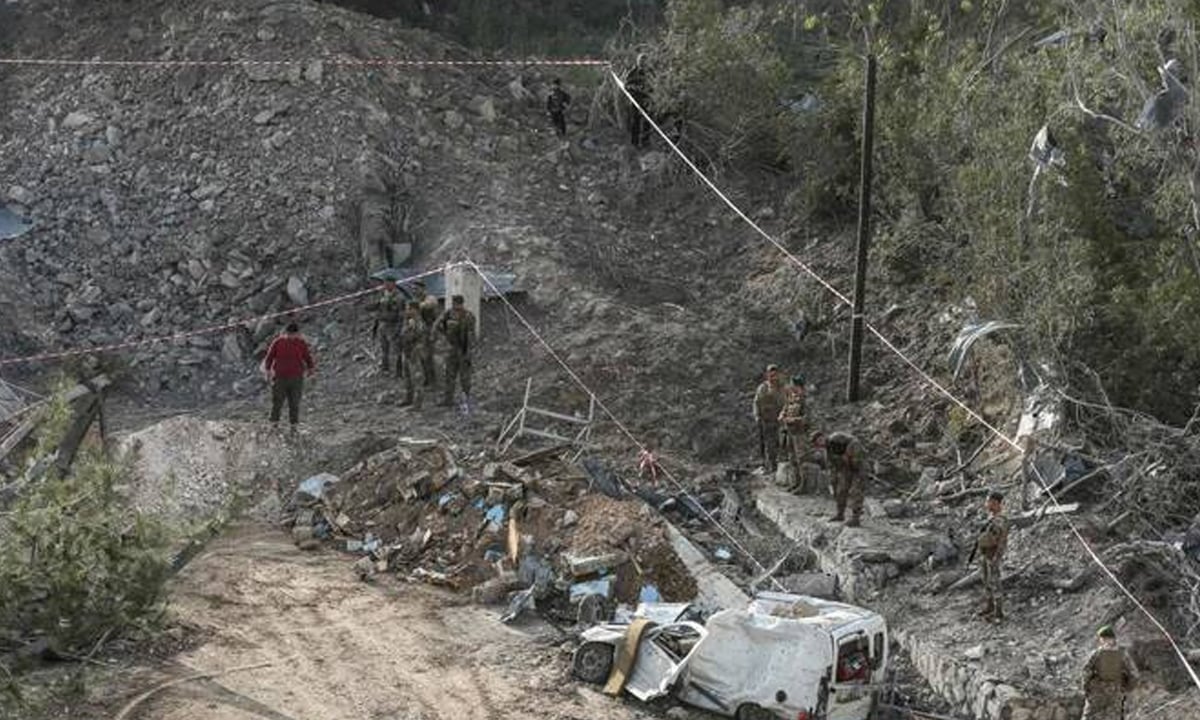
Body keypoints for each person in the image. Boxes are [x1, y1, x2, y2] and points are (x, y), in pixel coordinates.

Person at [263, 322, 315, 428]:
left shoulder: (301, 343)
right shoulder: (278, 342)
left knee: (294, 403)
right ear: (286, 333)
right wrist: (267, 371)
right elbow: (269, 357)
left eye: (294, 334)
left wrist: (311, 368)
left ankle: (294, 426)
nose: (292, 336)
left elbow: (307, 357)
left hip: (296, 378)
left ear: (298, 333)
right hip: (279, 378)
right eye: (290, 334)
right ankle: (274, 424)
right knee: (277, 402)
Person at [1081, 625, 1138, 720]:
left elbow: (1086, 672)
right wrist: (1126, 689)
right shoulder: (1123, 654)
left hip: (1097, 692)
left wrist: (1086, 688)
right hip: (1115, 692)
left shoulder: (1097, 654)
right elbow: (1134, 674)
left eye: (1102, 638)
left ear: (1103, 639)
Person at [812, 430, 864, 527]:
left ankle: (855, 518)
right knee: (841, 490)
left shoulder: (836, 439)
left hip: (856, 465)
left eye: (819, 441)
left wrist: (851, 459)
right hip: (845, 467)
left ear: (822, 437)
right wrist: (833, 480)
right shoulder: (828, 450)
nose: (820, 444)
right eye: (817, 444)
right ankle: (840, 514)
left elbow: (854, 451)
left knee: (855, 491)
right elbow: (832, 465)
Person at [975, 490, 1009, 621]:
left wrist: (982, 539)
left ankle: (999, 612)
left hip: (993, 553)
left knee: (994, 581)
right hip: (986, 553)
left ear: (995, 503)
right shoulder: (993, 518)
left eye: (988, 501)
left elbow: (995, 538)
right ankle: (989, 606)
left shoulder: (1000, 519)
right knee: (986, 580)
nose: (986, 504)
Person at [437, 294, 476, 407]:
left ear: (461, 304)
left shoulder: (468, 316)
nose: (455, 305)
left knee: (465, 378)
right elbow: (440, 324)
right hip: (452, 348)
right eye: (454, 303)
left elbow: (471, 336)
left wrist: (468, 352)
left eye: (457, 303)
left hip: (463, 349)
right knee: (449, 375)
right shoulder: (448, 313)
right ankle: (448, 400)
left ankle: (466, 401)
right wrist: (445, 335)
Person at [752, 364, 785, 472]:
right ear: (767, 375)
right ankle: (771, 466)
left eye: (775, 374)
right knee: (768, 445)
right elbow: (756, 403)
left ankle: (780, 466)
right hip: (766, 421)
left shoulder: (782, 387)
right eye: (771, 375)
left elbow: (786, 402)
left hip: (779, 420)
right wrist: (757, 415)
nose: (773, 377)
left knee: (781, 444)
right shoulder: (762, 388)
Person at [778, 374, 809, 487]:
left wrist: (792, 420)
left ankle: (803, 485)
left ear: (798, 385)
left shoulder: (805, 399)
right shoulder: (791, 397)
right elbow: (785, 409)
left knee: (801, 459)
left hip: (800, 433)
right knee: (792, 458)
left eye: (793, 385)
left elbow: (807, 418)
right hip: (790, 432)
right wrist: (782, 415)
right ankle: (794, 482)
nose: (791, 387)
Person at [372, 283, 403, 376]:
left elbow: (398, 315)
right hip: (383, 326)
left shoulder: (398, 298)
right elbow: (376, 309)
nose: (385, 286)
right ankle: (385, 369)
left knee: (396, 350)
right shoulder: (383, 296)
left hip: (393, 326)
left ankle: (398, 371)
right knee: (384, 349)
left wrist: (398, 329)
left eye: (388, 284)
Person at [411, 281, 439, 387]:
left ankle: (432, 381)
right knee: (422, 358)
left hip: (430, 330)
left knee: (428, 357)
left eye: (416, 289)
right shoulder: (415, 300)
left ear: (422, 289)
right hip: (420, 332)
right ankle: (427, 379)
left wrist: (417, 306)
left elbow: (429, 305)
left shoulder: (430, 298)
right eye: (413, 289)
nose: (414, 291)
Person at [399, 301, 426, 409]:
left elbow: (419, 337)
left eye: (409, 309)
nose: (407, 311)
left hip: (414, 352)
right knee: (407, 377)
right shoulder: (407, 321)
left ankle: (417, 403)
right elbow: (402, 335)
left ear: (415, 310)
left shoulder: (418, 322)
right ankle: (408, 398)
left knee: (417, 378)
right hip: (406, 351)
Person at [625, 54, 651, 147]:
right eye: (641, 61)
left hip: (647, 100)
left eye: (644, 62)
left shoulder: (650, 72)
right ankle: (634, 142)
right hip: (635, 101)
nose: (642, 63)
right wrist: (635, 88)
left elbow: (655, 85)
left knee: (647, 122)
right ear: (637, 62)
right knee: (635, 121)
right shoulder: (632, 72)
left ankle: (645, 142)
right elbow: (626, 85)